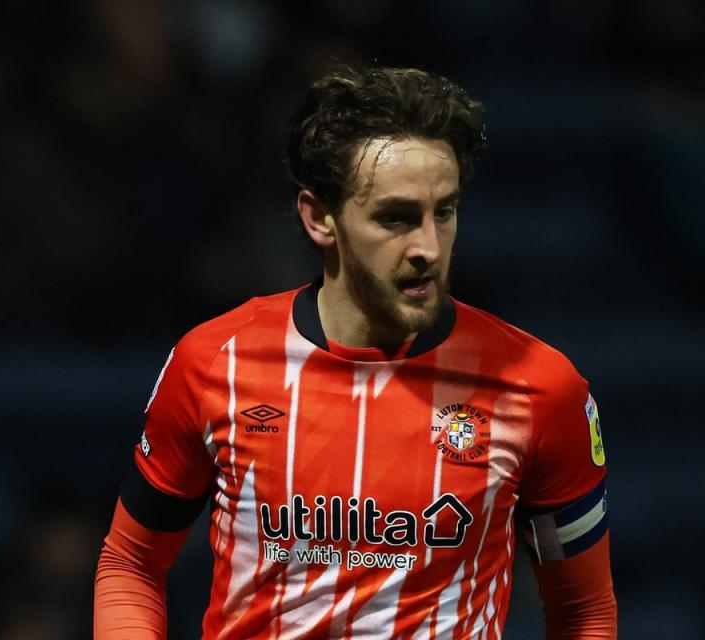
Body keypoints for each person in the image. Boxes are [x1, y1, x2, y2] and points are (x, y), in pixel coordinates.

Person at [94, 66, 617, 639]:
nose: (427, 247)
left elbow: (583, 612)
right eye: (395, 218)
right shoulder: (217, 361)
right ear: (319, 217)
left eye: (443, 212)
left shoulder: (540, 387)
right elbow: (131, 563)